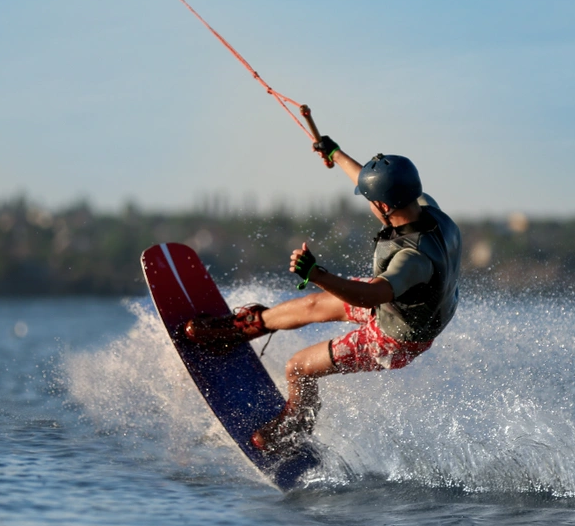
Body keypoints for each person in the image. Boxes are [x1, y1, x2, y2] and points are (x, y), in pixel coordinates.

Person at [184, 135, 462, 452]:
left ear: (383, 206)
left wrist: (315, 274)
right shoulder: (424, 205)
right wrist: (335, 153)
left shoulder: (412, 259)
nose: (368, 204)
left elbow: (370, 297)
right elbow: (374, 182)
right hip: (398, 304)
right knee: (313, 304)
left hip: (396, 336)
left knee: (298, 367)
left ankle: (298, 423)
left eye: (370, 200)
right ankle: (240, 328)